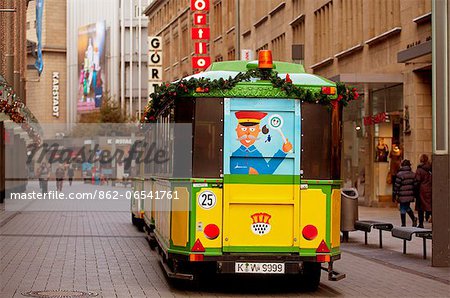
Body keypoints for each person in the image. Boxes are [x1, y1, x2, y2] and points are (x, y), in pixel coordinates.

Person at [393, 159, 418, 227]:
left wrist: (394, 194)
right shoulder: (412, 174)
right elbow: (415, 185)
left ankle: (404, 224)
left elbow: (397, 185)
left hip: (402, 194)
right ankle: (413, 218)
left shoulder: (400, 174)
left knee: (403, 208)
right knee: (406, 207)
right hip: (409, 194)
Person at [415, 154, 432, 228]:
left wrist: (415, 189)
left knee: (420, 208)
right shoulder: (430, 169)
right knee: (429, 206)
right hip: (430, 189)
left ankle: (421, 223)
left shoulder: (419, 170)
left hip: (421, 191)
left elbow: (417, 181)